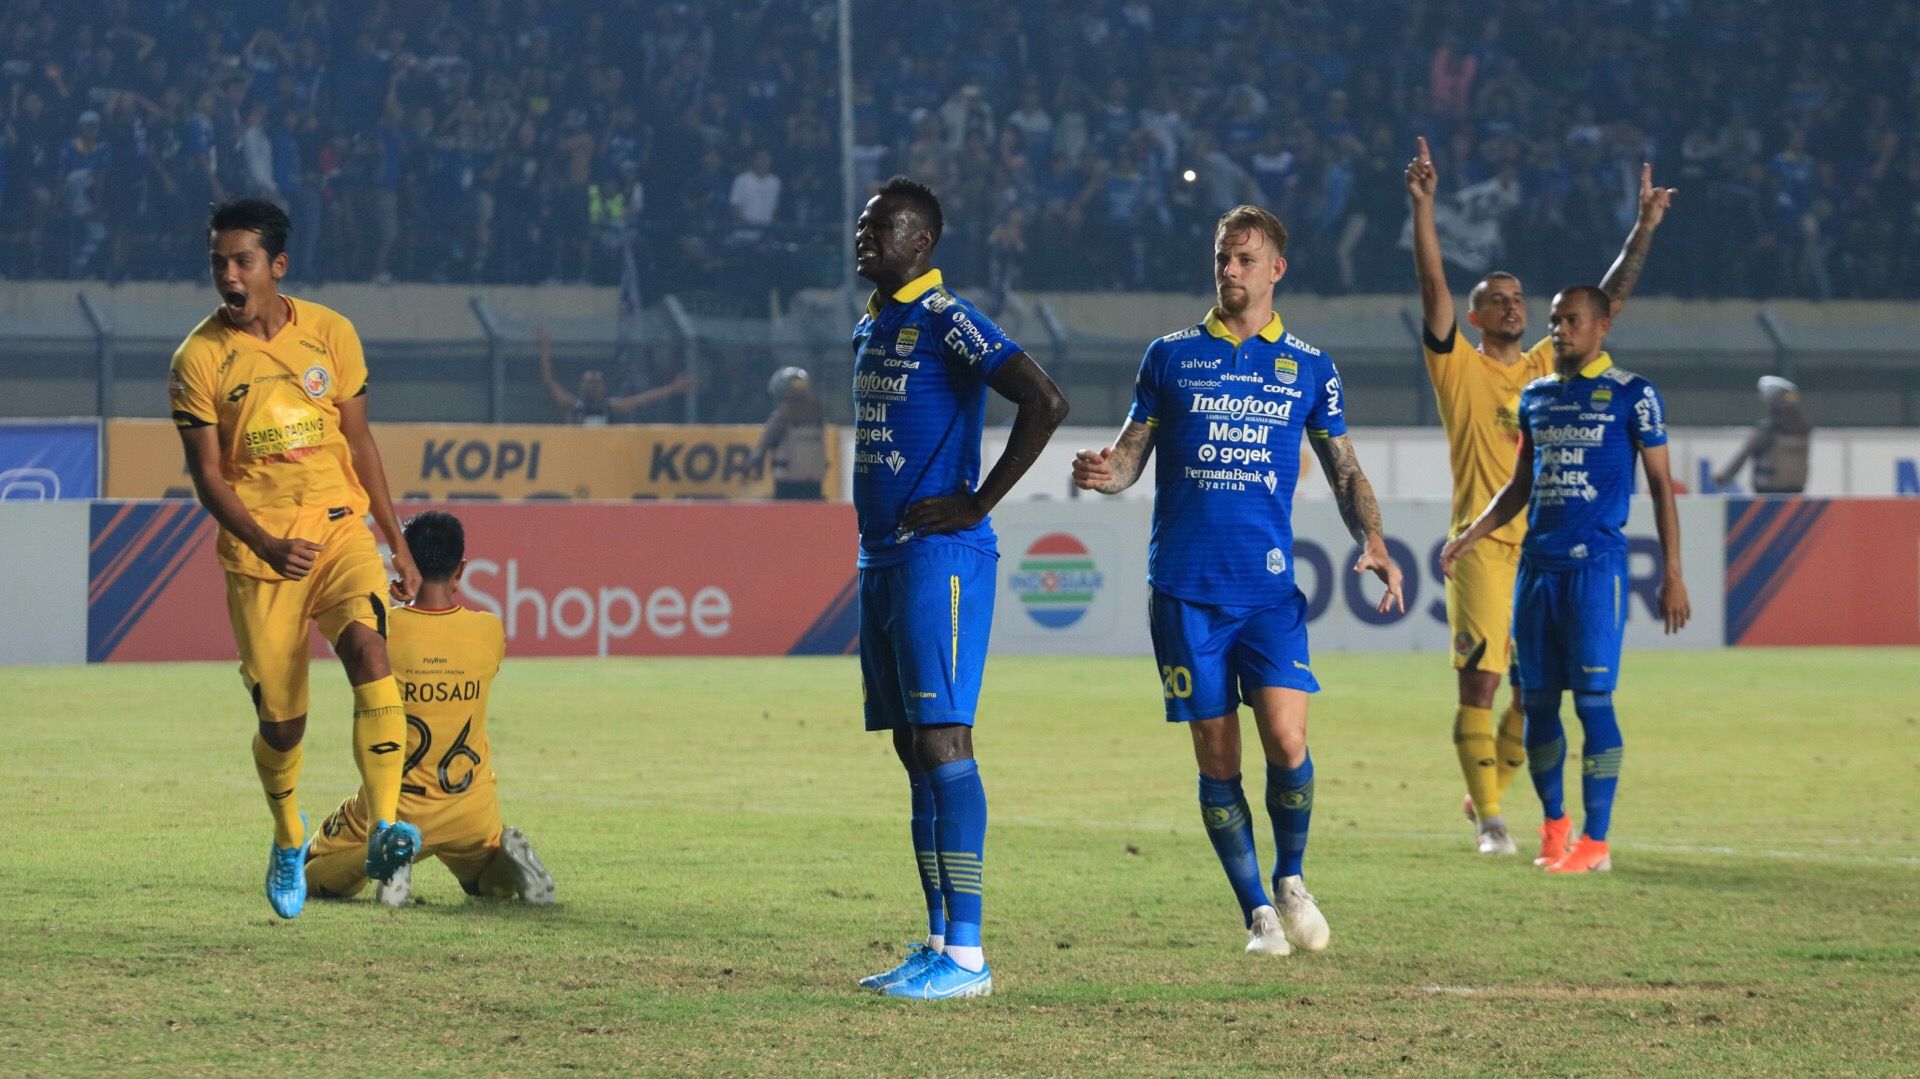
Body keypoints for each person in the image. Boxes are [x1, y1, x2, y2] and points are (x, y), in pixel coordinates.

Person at [1072, 204, 1405, 956]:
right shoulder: (1169, 356)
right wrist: (1103, 473)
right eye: (1223, 256)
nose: (1230, 270)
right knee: (1218, 756)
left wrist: (1375, 539)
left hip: (1267, 593)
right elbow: (1129, 458)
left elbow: (1345, 470)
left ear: (1276, 269)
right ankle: (1257, 911)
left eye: (1246, 259)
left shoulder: (1310, 367)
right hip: (1185, 592)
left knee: (1287, 740)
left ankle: (1291, 876)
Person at [1405, 136, 1674, 857]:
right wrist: (1424, 206)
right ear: (1475, 317)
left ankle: (1486, 785)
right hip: (1483, 548)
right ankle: (1493, 823)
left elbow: (1603, 302)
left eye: (1519, 297)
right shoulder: (1458, 369)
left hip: (1542, 552)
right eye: (1496, 299)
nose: (1512, 305)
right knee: (1482, 682)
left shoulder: (1543, 369)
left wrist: (1642, 228)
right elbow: (1432, 288)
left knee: (1535, 694)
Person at [169, 197, 423, 919]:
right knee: (284, 725)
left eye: (242, 261)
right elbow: (208, 477)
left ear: (276, 266)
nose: (228, 275)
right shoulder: (198, 360)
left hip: (340, 531)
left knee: (372, 654)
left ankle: (383, 828)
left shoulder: (331, 333)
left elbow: (360, 442)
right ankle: (288, 836)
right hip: (264, 556)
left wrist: (396, 541)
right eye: (218, 262)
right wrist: (266, 542)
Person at [851, 175, 1068, 999]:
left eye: (880, 226)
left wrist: (978, 501)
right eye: (863, 224)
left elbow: (1044, 400)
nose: (864, 236)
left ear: (922, 242)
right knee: (913, 749)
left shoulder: (950, 319)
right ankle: (940, 941)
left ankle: (970, 958)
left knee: (944, 740)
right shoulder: (875, 320)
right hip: (884, 557)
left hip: (939, 557)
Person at [1441, 285, 1691, 875]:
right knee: (1538, 702)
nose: (1559, 330)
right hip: (1536, 570)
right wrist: (1471, 535)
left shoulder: (1633, 395)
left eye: (1572, 320)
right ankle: (1556, 830)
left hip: (1594, 569)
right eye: (1554, 321)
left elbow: (1661, 487)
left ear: (1602, 326)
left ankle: (1596, 842)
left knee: (1594, 702)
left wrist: (1673, 572)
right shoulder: (1537, 396)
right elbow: (1520, 485)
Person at [305, 511, 555, 907]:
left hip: (396, 804)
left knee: (311, 873)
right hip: (469, 806)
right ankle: (510, 864)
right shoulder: (489, 630)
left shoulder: (381, 632)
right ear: (461, 569)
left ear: (403, 563)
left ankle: (391, 853)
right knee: (486, 885)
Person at [536, 327, 694, 424]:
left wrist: (673, 388)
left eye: (595, 383)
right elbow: (549, 382)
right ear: (581, 387)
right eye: (589, 383)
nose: (592, 388)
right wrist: (544, 350)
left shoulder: (611, 407)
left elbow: (642, 399)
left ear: (603, 388)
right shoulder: (574, 406)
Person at [1712, 375, 1812, 494]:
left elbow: (1745, 454)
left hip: (1768, 489)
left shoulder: (1769, 427)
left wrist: (1725, 476)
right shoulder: (1804, 427)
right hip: (1796, 489)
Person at [755, 366, 828, 500]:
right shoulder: (818, 416)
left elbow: (764, 444)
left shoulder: (781, 417)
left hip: (787, 484)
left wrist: (754, 459)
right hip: (814, 483)